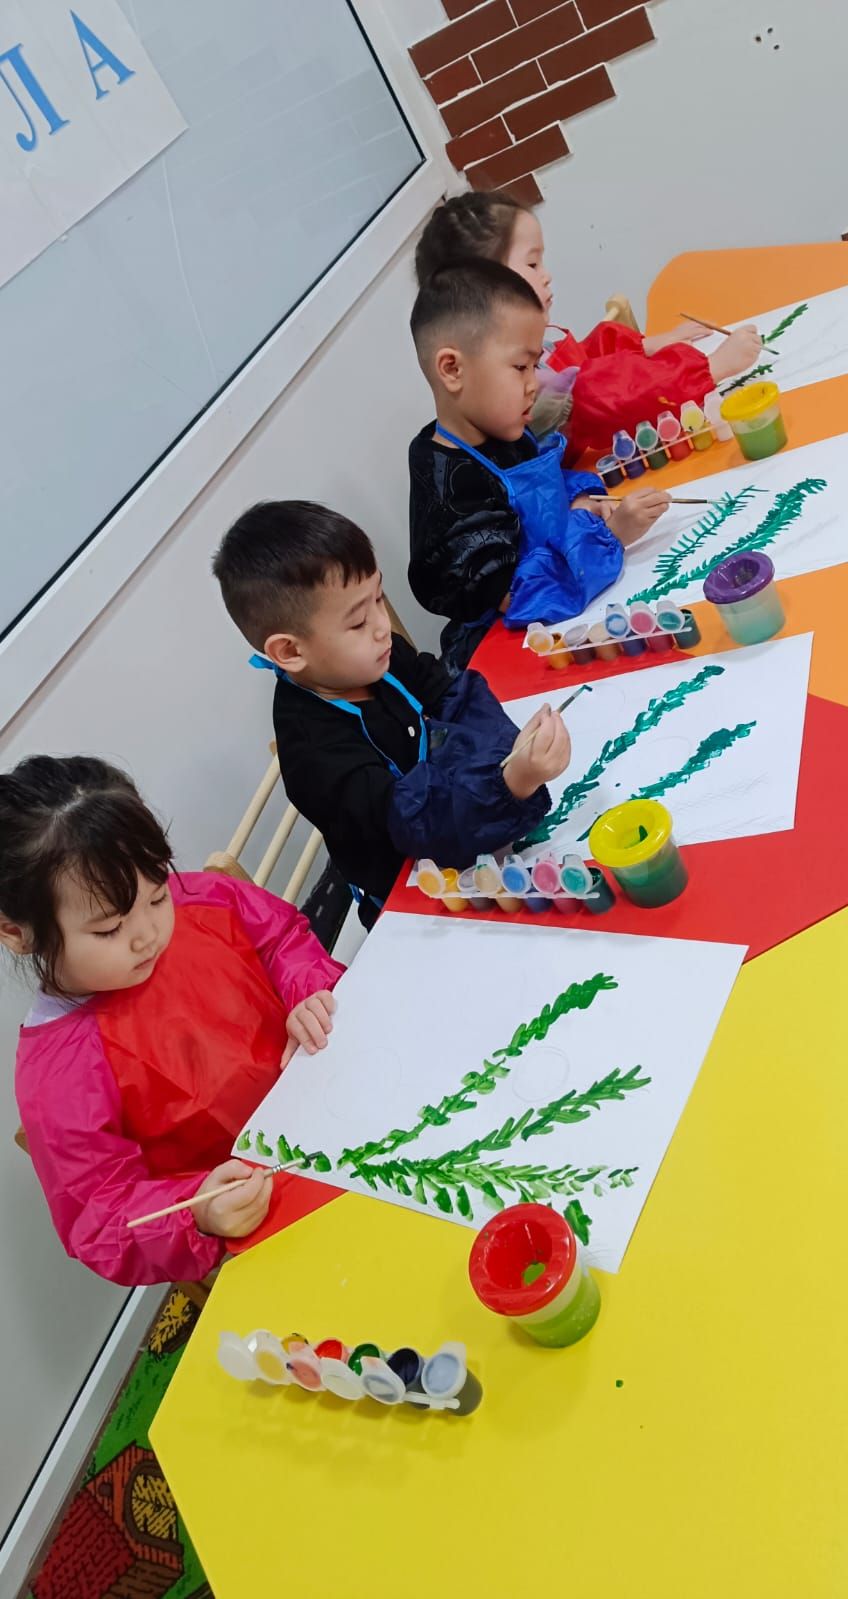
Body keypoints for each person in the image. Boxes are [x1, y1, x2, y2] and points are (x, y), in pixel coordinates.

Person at [1, 755, 343, 1286]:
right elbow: (101, 1216)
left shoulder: (197, 900)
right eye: (109, 930)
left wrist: (308, 991)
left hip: (339, 1105)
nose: (147, 934)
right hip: (269, 1213)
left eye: (157, 895)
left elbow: (280, 939)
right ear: (16, 933)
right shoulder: (58, 1072)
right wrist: (198, 1212)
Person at [213, 500, 569, 928]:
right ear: (289, 651)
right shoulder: (315, 755)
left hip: (472, 821)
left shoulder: (377, 655)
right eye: (358, 622)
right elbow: (417, 827)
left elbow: (456, 699)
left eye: (378, 598)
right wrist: (512, 783)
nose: (383, 626)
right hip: (414, 899)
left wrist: (506, 760)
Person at [408, 259, 670, 671]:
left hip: (572, 596)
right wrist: (609, 535)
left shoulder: (501, 428)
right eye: (520, 367)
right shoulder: (452, 493)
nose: (535, 384)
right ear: (453, 369)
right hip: (507, 651)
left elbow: (548, 486)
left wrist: (581, 499)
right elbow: (525, 596)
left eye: (535, 366)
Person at [414, 190, 763, 464]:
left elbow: (575, 359)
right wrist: (711, 367)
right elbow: (601, 397)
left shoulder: (523, 350)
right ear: (485, 288)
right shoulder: (506, 385)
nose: (546, 275)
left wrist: (647, 345)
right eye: (532, 264)